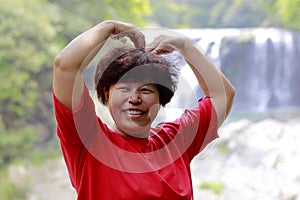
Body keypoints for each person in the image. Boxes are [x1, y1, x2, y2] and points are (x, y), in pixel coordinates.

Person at [52, 20, 235, 200]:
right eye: (124, 89)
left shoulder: (175, 141)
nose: (134, 99)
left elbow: (224, 95)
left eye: (146, 90)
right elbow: (64, 66)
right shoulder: (89, 140)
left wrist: (187, 47)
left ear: (160, 98)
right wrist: (108, 27)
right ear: (107, 94)